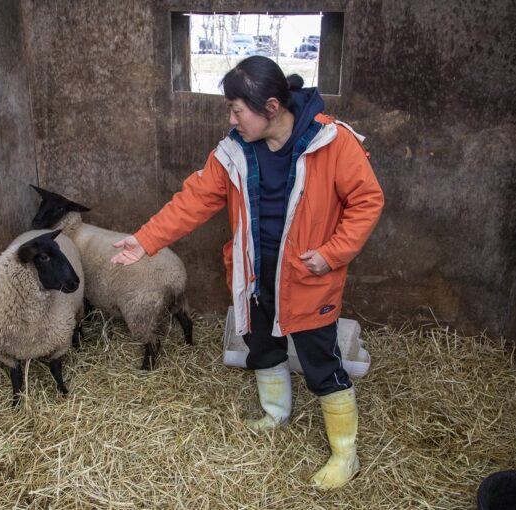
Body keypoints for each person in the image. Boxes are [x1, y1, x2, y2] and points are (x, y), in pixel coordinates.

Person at [111, 56, 384, 489]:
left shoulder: (333, 141)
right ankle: (276, 415)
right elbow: (193, 200)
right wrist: (145, 240)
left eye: (238, 109)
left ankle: (344, 452)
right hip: (255, 275)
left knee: (319, 360)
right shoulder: (234, 151)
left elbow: (367, 201)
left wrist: (332, 253)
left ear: (271, 107)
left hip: (309, 277)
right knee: (261, 343)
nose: (231, 118)